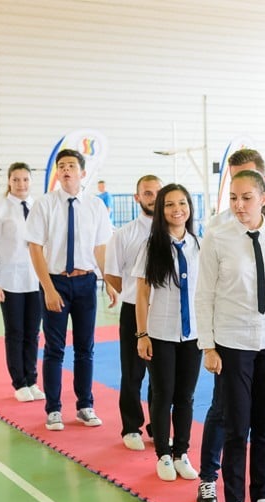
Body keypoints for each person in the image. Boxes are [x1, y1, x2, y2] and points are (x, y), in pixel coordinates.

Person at [195, 149, 265, 502]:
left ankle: (262, 500)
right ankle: (228, 497)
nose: (239, 204)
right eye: (234, 197)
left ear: (264, 194)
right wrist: (208, 345)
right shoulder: (218, 236)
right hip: (232, 341)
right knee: (233, 423)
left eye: (247, 197)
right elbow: (204, 293)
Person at [27, 149, 115, 431]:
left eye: (71, 166)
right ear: (57, 172)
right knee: (54, 349)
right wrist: (48, 288)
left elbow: (100, 248)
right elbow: (35, 248)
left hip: (86, 282)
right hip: (57, 282)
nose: (66, 170)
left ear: (82, 173)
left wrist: (109, 281)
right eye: (61, 166)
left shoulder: (95, 206)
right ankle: (53, 408)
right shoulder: (44, 204)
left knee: (85, 349)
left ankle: (85, 405)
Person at [134, 184, 202, 482]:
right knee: (163, 394)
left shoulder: (200, 245)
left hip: (193, 335)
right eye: (170, 204)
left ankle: (181, 452)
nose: (178, 209)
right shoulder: (152, 246)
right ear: (161, 211)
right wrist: (142, 334)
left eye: (182, 203)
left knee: (185, 396)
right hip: (161, 333)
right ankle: (163, 452)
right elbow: (141, 293)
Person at [104, 175, 162, 451]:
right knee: (133, 372)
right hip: (133, 310)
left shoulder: (173, 231)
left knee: (161, 376)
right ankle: (131, 427)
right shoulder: (124, 234)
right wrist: (132, 294)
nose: (153, 197)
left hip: (165, 313)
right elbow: (113, 275)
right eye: (147, 193)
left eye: (157, 193)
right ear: (137, 198)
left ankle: (158, 427)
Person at [0, 162, 44, 403]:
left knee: (33, 333)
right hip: (10, 281)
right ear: (9, 181)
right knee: (16, 333)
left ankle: (32, 379)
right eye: (16, 179)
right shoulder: (0, 209)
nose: (21, 184)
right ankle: (19, 382)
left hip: (35, 279)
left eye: (25, 180)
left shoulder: (37, 206)